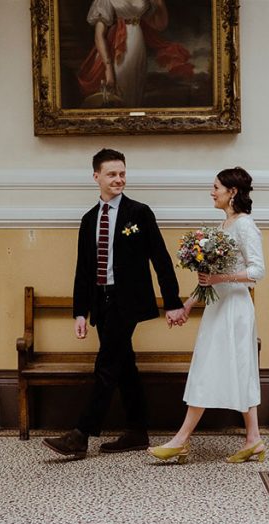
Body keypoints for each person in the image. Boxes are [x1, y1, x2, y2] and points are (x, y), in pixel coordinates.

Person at [43, 148, 186, 459]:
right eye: (112, 174)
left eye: (122, 173)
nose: (119, 179)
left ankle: (81, 434)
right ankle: (137, 430)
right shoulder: (89, 219)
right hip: (101, 302)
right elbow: (83, 269)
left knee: (106, 365)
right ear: (96, 176)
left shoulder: (139, 213)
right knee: (124, 366)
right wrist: (80, 312)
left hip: (128, 301)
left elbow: (160, 258)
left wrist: (173, 301)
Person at [148, 168, 266, 465]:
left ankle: (181, 440)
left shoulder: (245, 225)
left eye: (216, 187)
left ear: (232, 192)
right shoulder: (224, 225)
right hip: (218, 307)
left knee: (209, 367)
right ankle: (253, 439)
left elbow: (257, 271)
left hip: (235, 309)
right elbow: (211, 281)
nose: (212, 192)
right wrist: (188, 305)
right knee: (236, 368)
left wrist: (219, 278)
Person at [77, 0, 194, 108]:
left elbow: (159, 25)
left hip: (138, 43)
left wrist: (159, 3)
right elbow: (99, 36)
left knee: (135, 89)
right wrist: (108, 70)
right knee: (119, 89)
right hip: (117, 46)